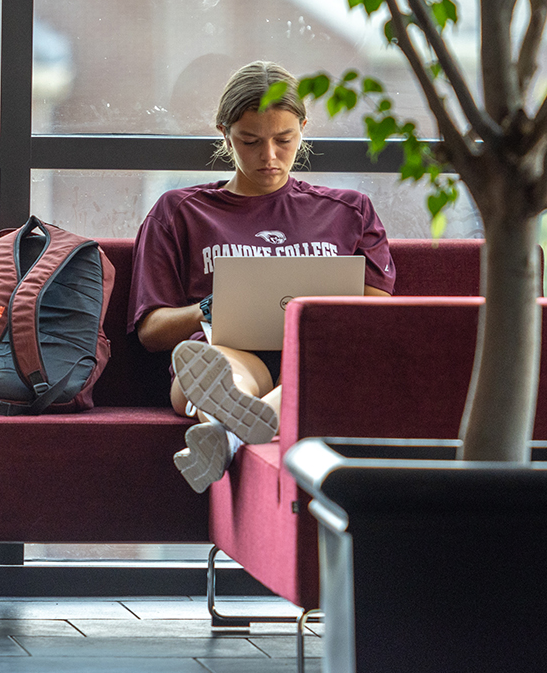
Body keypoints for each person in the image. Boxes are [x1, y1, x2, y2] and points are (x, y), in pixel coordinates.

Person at [128, 61, 395, 492]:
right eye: (250, 141)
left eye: (284, 140)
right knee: (216, 370)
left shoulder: (348, 210)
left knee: (324, 369)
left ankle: (224, 433)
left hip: (315, 356)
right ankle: (237, 413)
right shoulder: (180, 211)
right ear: (224, 134)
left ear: (304, 129)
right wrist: (215, 308)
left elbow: (377, 310)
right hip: (226, 349)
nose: (269, 157)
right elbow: (151, 332)